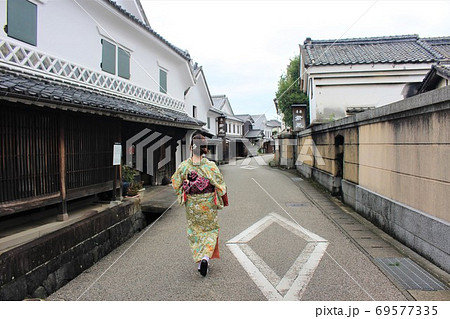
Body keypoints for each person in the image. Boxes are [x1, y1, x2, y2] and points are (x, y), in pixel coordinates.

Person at [171, 134, 228, 277]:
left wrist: (185, 189)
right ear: (205, 149)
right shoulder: (210, 166)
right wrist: (221, 197)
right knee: (210, 230)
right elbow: (220, 185)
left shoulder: (184, 166)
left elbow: (176, 183)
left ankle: (200, 260)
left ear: (191, 148)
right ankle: (205, 258)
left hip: (192, 204)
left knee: (195, 231)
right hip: (208, 203)